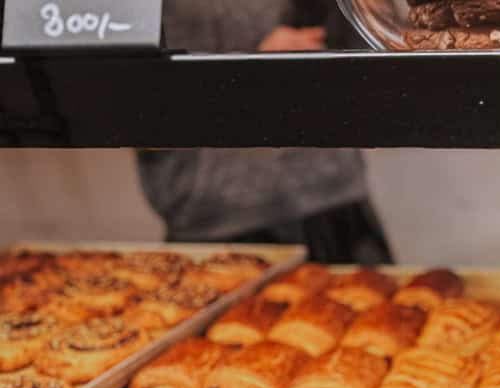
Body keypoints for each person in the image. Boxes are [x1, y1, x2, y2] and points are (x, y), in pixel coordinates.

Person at [137, 1, 390, 264]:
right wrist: (251, 77)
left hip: (335, 201)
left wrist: (378, 14)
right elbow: (132, 114)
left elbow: (374, 65)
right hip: (218, 219)